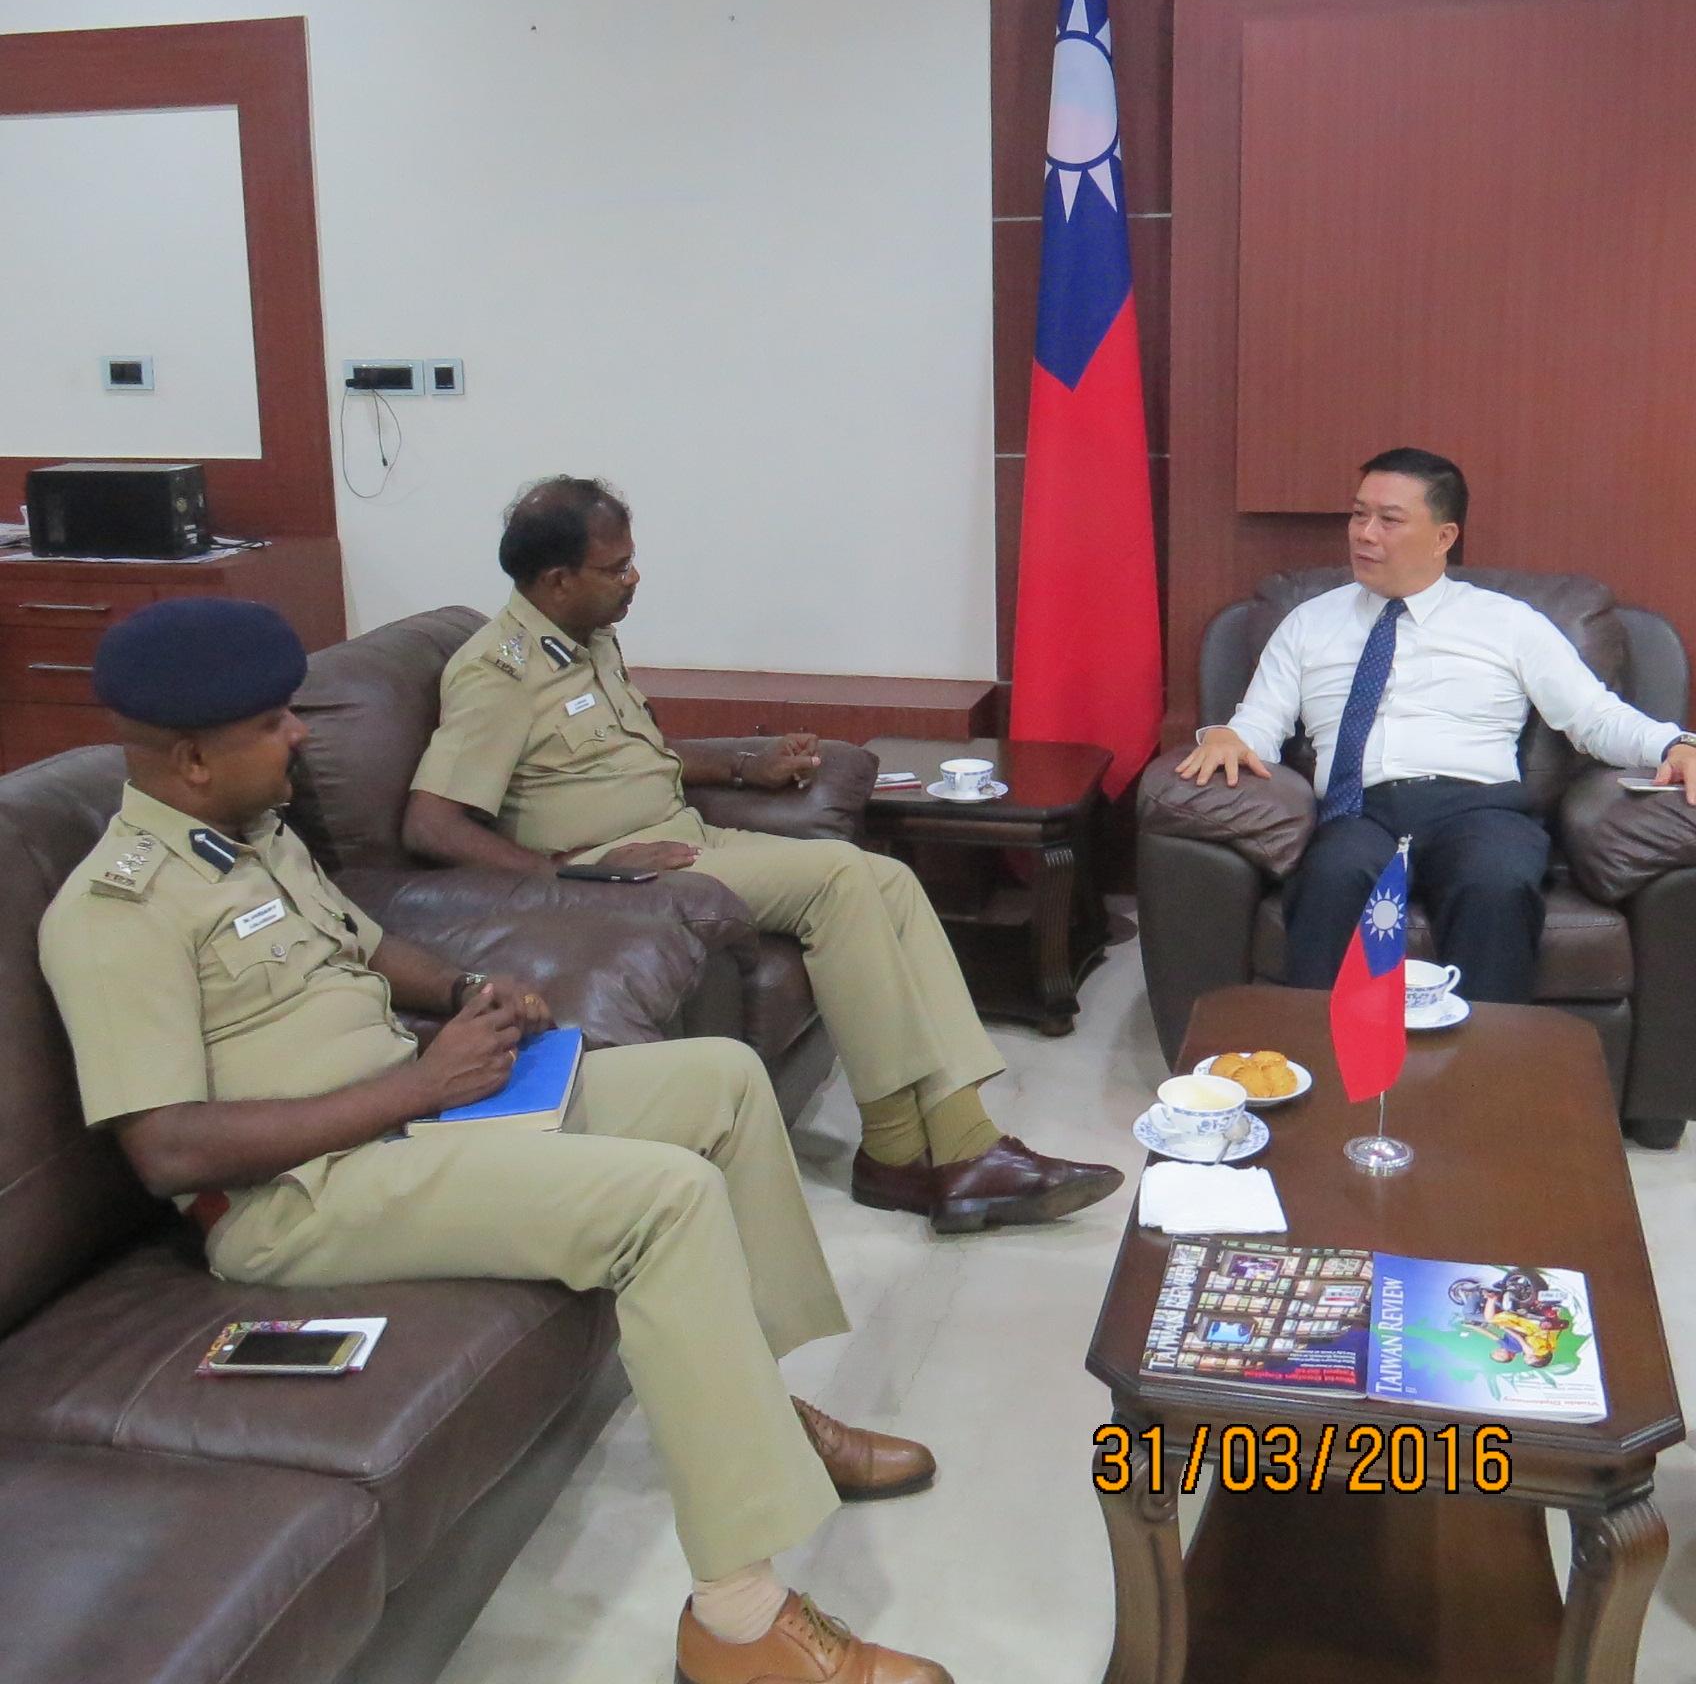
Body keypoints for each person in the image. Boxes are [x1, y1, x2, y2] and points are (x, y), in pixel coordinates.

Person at [38, 597, 954, 1684]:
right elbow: (170, 1150)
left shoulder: (256, 836)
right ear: (191, 759)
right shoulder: (112, 914)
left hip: (406, 1118)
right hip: (302, 1198)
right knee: (662, 1199)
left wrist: (472, 987)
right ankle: (739, 1623)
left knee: (721, 1081)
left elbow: (369, 943)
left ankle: (761, 1407)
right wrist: (416, 1085)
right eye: (274, 724)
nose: (300, 737)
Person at [403, 475, 1122, 1234]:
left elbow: (635, 755)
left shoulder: (591, 640)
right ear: (556, 580)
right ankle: (920, 1150)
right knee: (842, 879)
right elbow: (433, 822)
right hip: (624, 872)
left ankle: (927, 1148)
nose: (634, 578)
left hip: (689, 838)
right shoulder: (498, 672)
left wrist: (748, 764)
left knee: (891, 881)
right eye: (616, 568)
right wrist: (563, 871)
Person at [1177, 448, 1696, 1003]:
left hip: (1479, 808)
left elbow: (1593, 716)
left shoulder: (1507, 622)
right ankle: (1323, 1069)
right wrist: (1226, 736)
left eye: (1389, 519)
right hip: (1358, 812)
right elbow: (1259, 723)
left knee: (1495, 882)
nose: (1364, 534)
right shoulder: (1308, 622)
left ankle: (1478, 1076)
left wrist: (1674, 742)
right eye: (1358, 515)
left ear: (1444, 536)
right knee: (1331, 880)